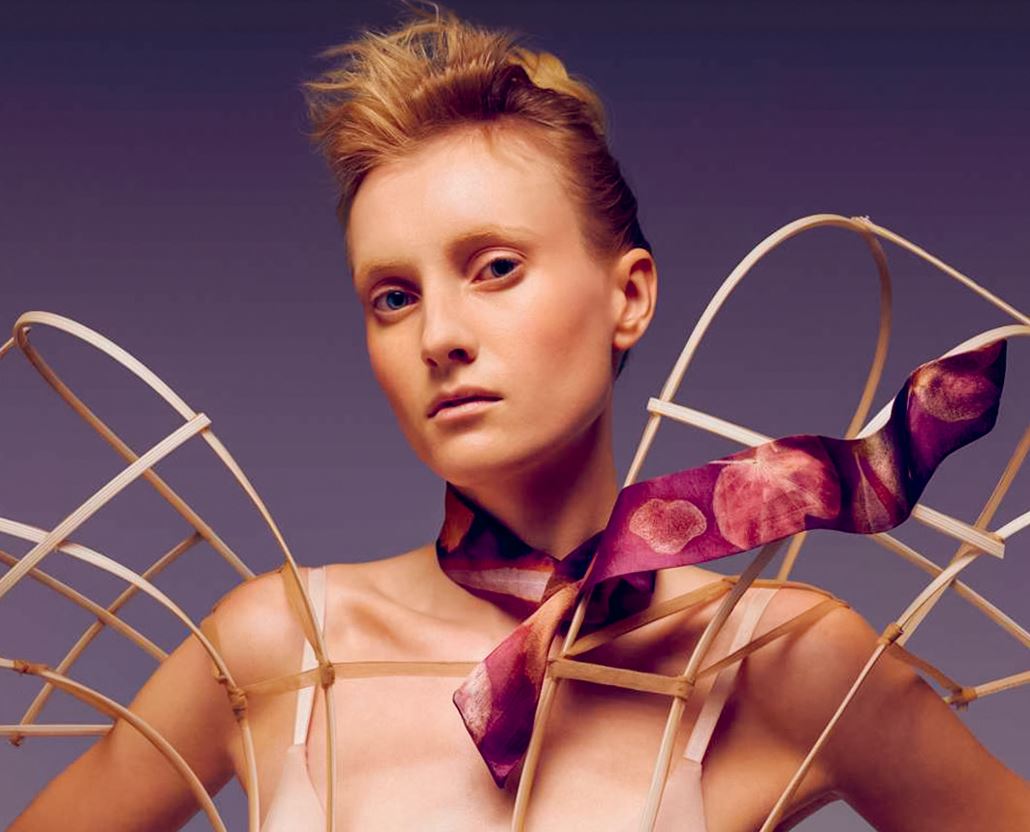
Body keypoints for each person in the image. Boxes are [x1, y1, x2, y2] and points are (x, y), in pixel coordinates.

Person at [10, 3, 1029, 830]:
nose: (439, 335)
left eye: (495, 267)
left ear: (628, 296)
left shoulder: (782, 659)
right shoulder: (277, 646)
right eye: (393, 297)